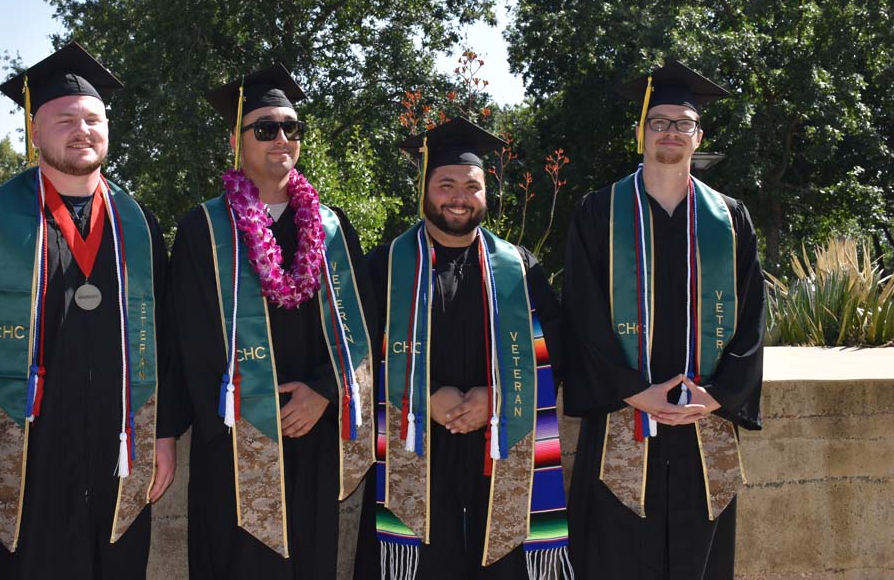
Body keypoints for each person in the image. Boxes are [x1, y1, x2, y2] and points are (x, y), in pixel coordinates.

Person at [0, 42, 182, 580]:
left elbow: (165, 336)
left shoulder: (137, 221)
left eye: (92, 118)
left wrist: (163, 432)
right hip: (25, 441)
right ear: (34, 131)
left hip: (119, 440)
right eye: (64, 119)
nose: (82, 130)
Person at [169, 64, 376, 579]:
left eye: (291, 128)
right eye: (265, 129)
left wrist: (326, 391)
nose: (281, 138)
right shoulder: (204, 228)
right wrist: (248, 401)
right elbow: (184, 335)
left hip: (314, 430)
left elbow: (363, 326)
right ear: (238, 140)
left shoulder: (332, 226)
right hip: (234, 437)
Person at [562, 59, 764, 580]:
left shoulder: (730, 219)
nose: (669, 133)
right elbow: (582, 314)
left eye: (681, 124)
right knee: (615, 555)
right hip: (623, 417)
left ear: (698, 137)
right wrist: (632, 390)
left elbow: (751, 317)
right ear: (640, 133)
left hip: (705, 420)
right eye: (658, 123)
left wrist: (719, 393)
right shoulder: (598, 213)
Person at [354, 117, 571, 580]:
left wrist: (494, 398)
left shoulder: (518, 267)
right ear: (425, 189)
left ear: (486, 194)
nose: (458, 197)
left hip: (499, 445)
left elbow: (557, 350)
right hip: (414, 445)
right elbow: (357, 354)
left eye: (471, 186)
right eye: (445, 184)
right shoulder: (385, 267)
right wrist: (426, 396)